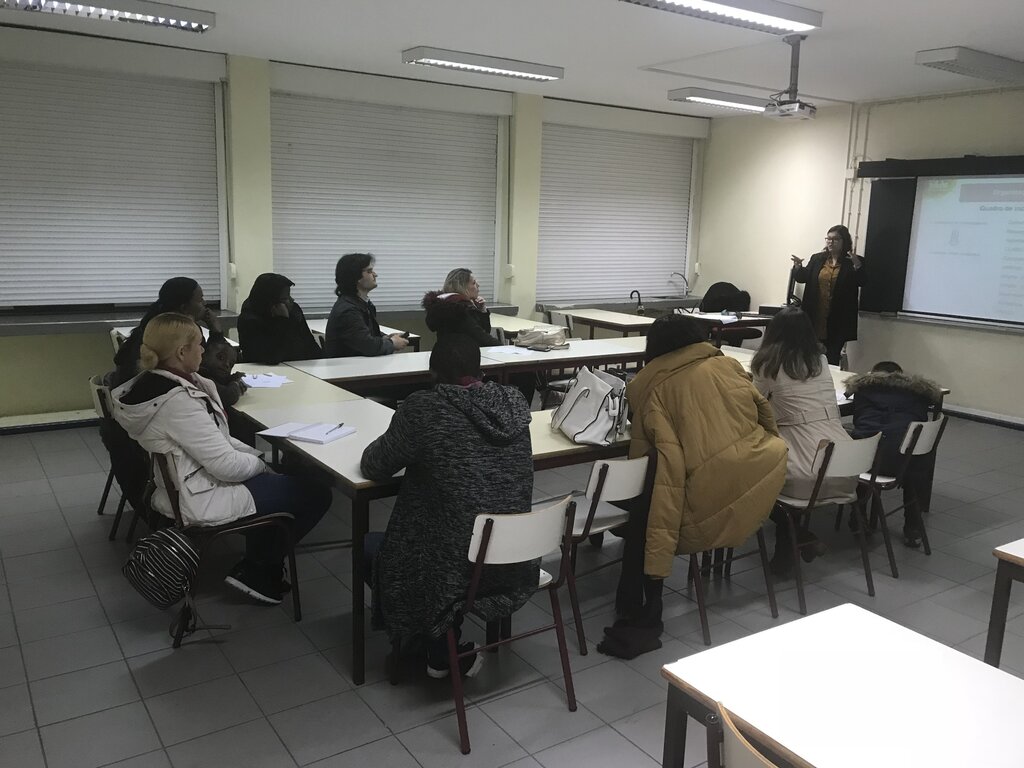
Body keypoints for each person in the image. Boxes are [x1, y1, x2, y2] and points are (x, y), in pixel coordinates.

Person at [600, 314, 787, 659]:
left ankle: (637, 599)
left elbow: (647, 456)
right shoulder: (728, 365)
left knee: (644, 503)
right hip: (758, 479)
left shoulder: (648, 386)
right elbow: (766, 416)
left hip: (703, 497)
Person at [112, 313, 331, 605]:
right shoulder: (177, 402)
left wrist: (258, 459)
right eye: (199, 344)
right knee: (317, 493)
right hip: (201, 495)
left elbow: (218, 440)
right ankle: (259, 569)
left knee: (283, 478)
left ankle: (259, 563)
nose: (204, 350)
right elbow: (225, 466)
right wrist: (261, 464)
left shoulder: (158, 384)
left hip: (187, 483)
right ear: (182, 352)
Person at [360, 334, 536, 678]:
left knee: (372, 548)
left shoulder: (424, 409)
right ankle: (439, 641)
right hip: (512, 557)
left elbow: (374, 465)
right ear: (481, 372)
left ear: (432, 375)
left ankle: (434, 640)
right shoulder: (514, 403)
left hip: (452, 569)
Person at [751, 308, 855, 575]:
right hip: (844, 461)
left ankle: (798, 539)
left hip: (804, 463)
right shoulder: (820, 361)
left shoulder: (767, 364)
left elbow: (753, 405)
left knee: (753, 481)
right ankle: (793, 547)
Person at [845, 361, 943, 547]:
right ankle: (912, 527)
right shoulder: (919, 394)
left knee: (864, 446)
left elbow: (858, 420)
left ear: (872, 375)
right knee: (915, 456)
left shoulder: (863, 391)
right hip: (904, 465)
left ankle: (858, 516)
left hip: (867, 461)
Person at [423, 268, 536, 405]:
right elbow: (481, 337)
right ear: (462, 286)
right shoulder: (460, 309)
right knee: (526, 374)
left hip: (451, 364)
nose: (478, 285)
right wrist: (506, 348)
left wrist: (481, 311)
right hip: (469, 366)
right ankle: (519, 412)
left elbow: (482, 332)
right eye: (473, 283)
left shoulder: (447, 305)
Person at [113, 277, 225, 386]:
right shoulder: (180, 336)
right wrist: (216, 332)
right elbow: (214, 370)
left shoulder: (153, 326)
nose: (205, 303)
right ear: (184, 308)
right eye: (200, 299)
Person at [790, 224, 866, 365]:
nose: (830, 242)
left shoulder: (853, 261)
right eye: (828, 239)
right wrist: (798, 267)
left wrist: (858, 266)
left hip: (838, 319)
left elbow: (863, 282)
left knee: (831, 359)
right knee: (810, 357)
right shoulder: (817, 259)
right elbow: (803, 278)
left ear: (844, 241)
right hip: (815, 316)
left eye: (835, 239)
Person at [324, 253, 410, 357]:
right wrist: (392, 343)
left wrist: (386, 338)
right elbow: (369, 346)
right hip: (348, 366)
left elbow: (365, 337)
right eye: (369, 271)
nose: (375, 274)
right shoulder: (348, 311)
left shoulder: (361, 304)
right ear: (355, 277)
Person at [237, 273, 322, 364]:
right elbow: (272, 357)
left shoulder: (294, 310)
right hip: (262, 371)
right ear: (271, 303)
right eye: (285, 298)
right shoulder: (249, 320)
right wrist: (282, 320)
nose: (292, 300)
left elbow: (311, 346)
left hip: (301, 367)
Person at [198, 338, 247, 408]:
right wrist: (235, 383)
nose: (227, 364)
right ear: (203, 355)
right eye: (221, 357)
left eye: (231, 364)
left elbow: (221, 381)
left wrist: (231, 380)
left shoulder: (212, 374)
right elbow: (228, 396)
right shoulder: (201, 375)